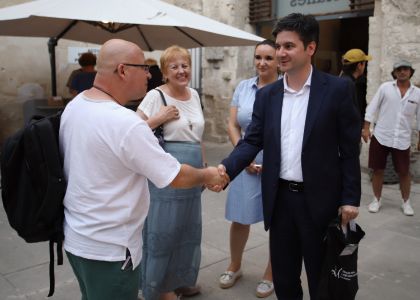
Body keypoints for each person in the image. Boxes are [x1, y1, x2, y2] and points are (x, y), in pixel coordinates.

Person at [59, 39, 226, 300]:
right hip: (112, 248)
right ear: (124, 70)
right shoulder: (126, 123)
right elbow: (176, 176)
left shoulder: (76, 105)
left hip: (78, 239)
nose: (150, 74)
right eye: (144, 68)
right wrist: (209, 174)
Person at [217, 13, 361, 300]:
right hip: (280, 200)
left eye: (289, 46)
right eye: (279, 45)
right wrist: (225, 169)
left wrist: (349, 197)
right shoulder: (268, 96)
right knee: (284, 280)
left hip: (320, 202)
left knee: (322, 280)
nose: (281, 53)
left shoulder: (337, 90)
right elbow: (252, 140)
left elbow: (349, 149)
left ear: (310, 48)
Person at [136, 45, 205, 300]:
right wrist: (158, 118)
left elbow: (197, 135)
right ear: (164, 72)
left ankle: (182, 279)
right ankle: (158, 287)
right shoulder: (156, 95)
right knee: (165, 228)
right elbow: (133, 130)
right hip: (167, 168)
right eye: (174, 66)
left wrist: (203, 167)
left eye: (185, 65)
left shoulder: (194, 95)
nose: (181, 70)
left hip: (193, 167)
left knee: (188, 228)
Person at [218, 39, 278, 298]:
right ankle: (235, 265)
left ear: (278, 61)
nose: (262, 63)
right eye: (258, 57)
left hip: (276, 162)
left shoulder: (285, 88)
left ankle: (271, 273)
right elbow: (233, 124)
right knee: (239, 217)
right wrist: (244, 156)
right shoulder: (244, 87)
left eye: (268, 58)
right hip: (245, 157)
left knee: (279, 221)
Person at [363, 59, 420, 216]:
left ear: (410, 72)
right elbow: (372, 107)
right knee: (378, 170)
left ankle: (406, 202)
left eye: (406, 69)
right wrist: (366, 128)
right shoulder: (385, 88)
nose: (402, 71)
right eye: (399, 69)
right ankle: (376, 199)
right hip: (381, 136)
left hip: (402, 139)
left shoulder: (417, 93)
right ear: (394, 73)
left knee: (404, 172)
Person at [340, 48, 372, 126]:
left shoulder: (342, 80)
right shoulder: (349, 84)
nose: (365, 67)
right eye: (364, 63)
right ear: (359, 66)